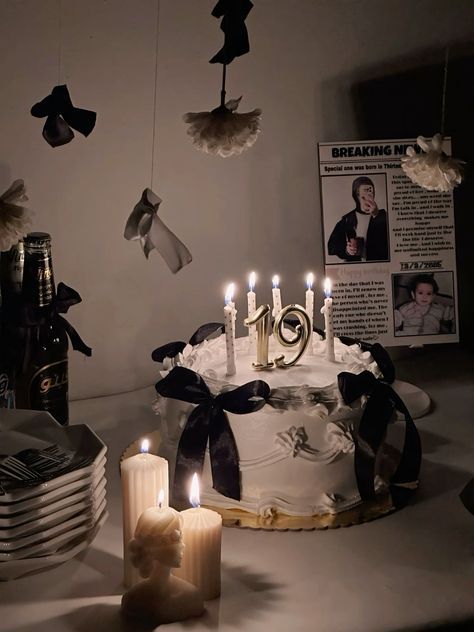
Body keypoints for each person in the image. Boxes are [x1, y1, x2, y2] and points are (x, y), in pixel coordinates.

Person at [327, 176, 388, 262]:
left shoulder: (383, 216)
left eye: (370, 194)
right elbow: (332, 246)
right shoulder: (347, 219)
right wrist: (347, 250)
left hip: (379, 268)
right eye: (363, 196)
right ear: (356, 196)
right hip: (354, 271)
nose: (368, 199)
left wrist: (377, 215)